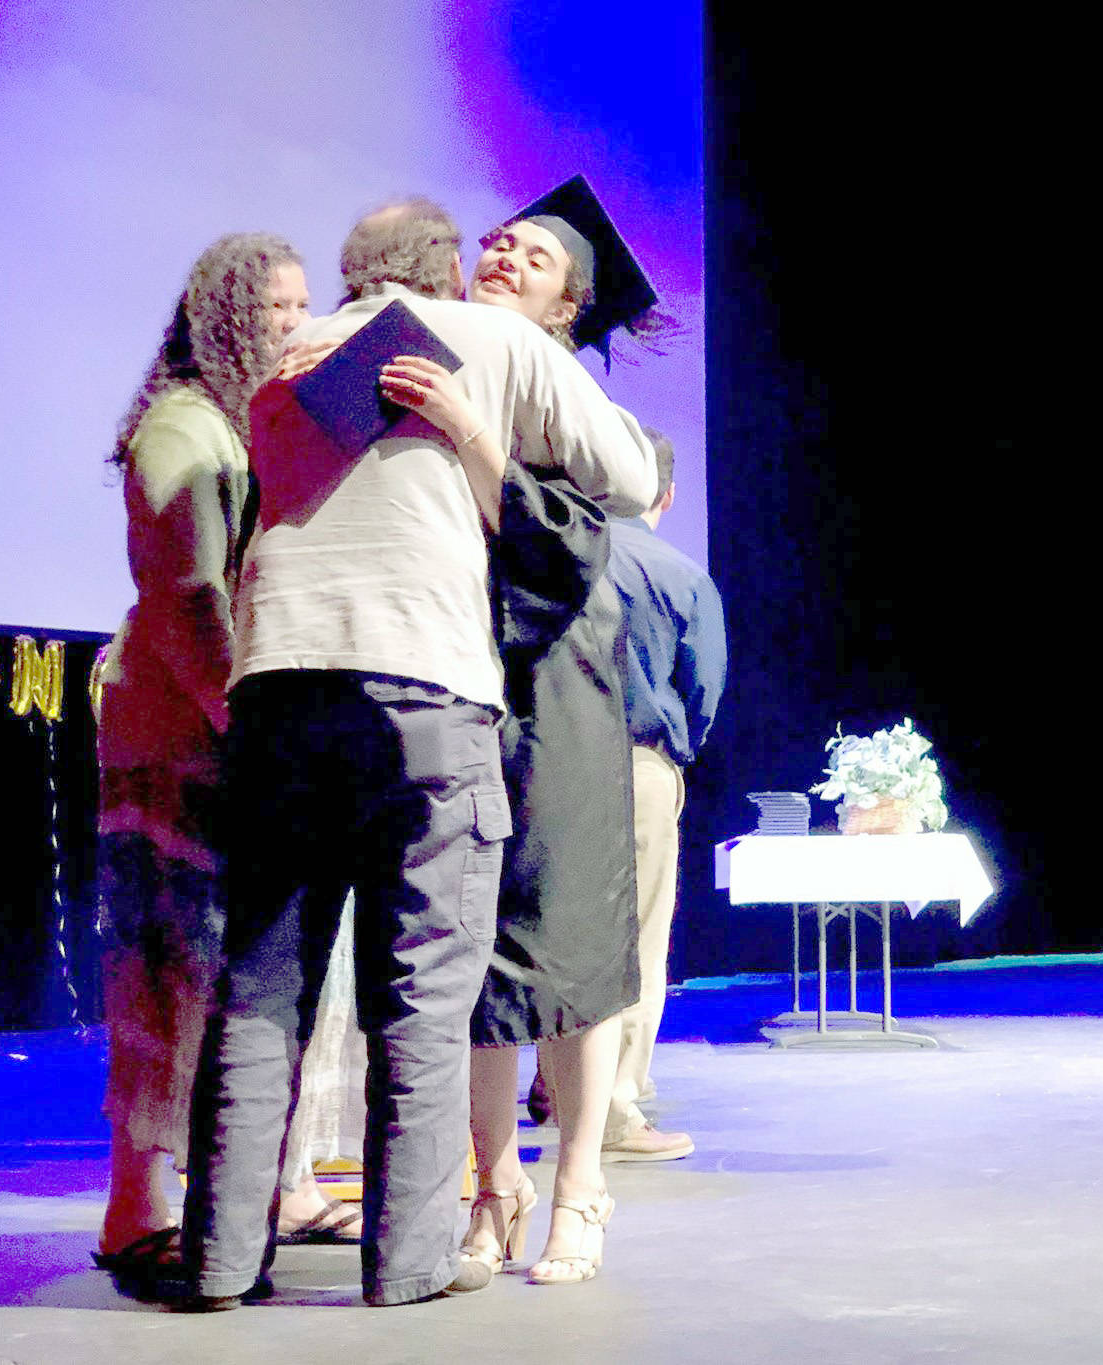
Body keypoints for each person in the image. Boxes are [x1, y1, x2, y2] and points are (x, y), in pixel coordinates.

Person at [178, 199, 655, 1310]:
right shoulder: (491, 342)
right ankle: (408, 1262)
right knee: (423, 993)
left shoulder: (288, 358)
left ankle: (215, 1259)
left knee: (259, 989)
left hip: (279, 688)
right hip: (423, 695)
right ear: (445, 271)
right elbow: (630, 478)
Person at [444, 177, 669, 1286]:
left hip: (563, 684)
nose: (499, 254)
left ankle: (580, 1183)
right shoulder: (434, 371)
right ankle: (494, 1183)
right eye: (491, 242)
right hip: (456, 678)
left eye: (529, 254)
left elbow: (563, 545)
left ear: (570, 305)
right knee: (475, 952)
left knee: (569, 946)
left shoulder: (575, 415)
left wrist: (476, 444)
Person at [91, 232, 310, 1293]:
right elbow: (189, 604)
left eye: (303, 306)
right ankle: (138, 1211)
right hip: (179, 735)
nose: (295, 325)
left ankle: (201, 1201)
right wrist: (245, 724)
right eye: (276, 309)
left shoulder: (241, 424)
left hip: (206, 731)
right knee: (164, 966)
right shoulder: (184, 428)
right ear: (226, 317)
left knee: (198, 968)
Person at [600, 426, 726, 1162]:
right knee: (639, 938)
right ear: (668, 495)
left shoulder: (556, 559)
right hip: (642, 762)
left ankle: (557, 1082)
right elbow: (702, 689)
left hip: (544, 763)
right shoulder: (680, 575)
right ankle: (616, 1101)